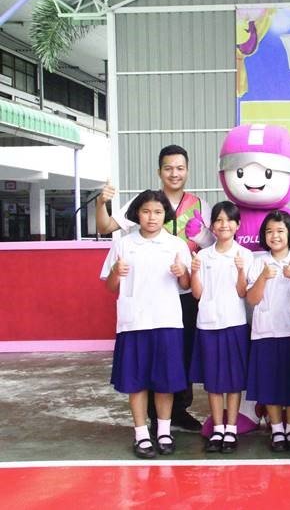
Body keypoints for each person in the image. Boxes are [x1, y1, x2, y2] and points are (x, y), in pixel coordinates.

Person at [96, 144, 212, 432]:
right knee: (145, 359)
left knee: (179, 354)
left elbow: (213, 242)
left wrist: (199, 246)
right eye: (169, 168)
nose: (175, 173)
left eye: (180, 168)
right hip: (146, 293)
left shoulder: (200, 205)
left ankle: (178, 411)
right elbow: (107, 226)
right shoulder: (144, 202)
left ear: (187, 170)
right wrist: (102, 202)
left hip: (183, 290)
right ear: (159, 171)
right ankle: (149, 418)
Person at [100, 190, 191, 458]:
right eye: (146, 211)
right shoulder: (124, 244)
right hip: (134, 322)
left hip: (167, 321)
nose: (152, 217)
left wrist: (182, 273)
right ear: (137, 213)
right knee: (136, 382)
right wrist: (117, 273)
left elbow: (186, 286)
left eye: (158, 212)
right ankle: (141, 434)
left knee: (165, 381)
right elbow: (109, 286)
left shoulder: (176, 245)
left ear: (166, 215)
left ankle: (163, 431)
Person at [188, 201, 253, 453]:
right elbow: (196, 294)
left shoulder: (244, 255)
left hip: (234, 324)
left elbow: (243, 293)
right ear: (212, 226)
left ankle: (231, 429)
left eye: (229, 220)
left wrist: (239, 271)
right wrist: (194, 272)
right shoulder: (203, 256)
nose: (223, 224)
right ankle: (217, 428)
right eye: (218, 220)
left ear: (237, 225)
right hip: (207, 324)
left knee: (234, 381)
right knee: (213, 382)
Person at [246, 210, 290, 452]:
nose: (275, 236)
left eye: (280, 231)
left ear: (289, 233)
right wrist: (263, 277)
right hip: (264, 333)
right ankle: (277, 430)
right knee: (270, 385)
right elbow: (251, 299)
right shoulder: (257, 261)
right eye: (270, 231)